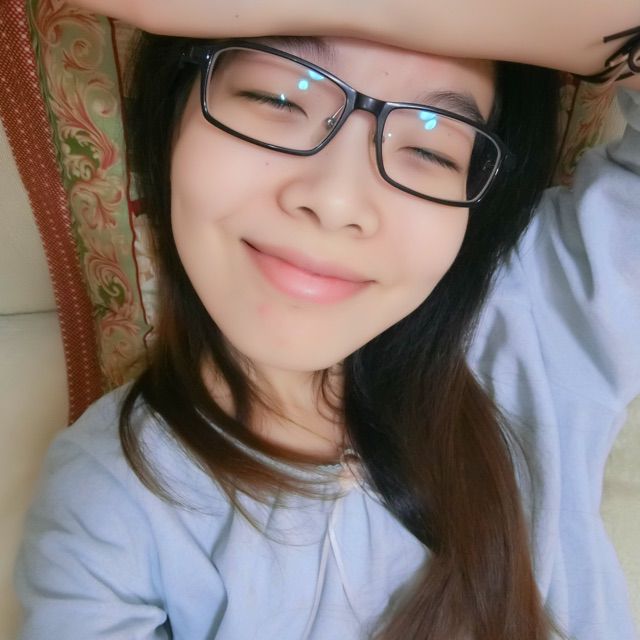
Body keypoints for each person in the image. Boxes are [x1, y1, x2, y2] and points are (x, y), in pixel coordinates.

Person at [13, 2, 640, 639]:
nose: (337, 201)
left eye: (430, 146)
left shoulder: (541, 307)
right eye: (278, 96)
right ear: (172, 110)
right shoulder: (109, 494)